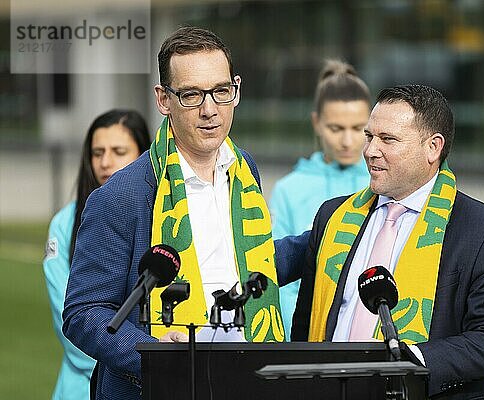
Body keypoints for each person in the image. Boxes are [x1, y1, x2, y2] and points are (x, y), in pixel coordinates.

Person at [62, 27, 307, 400]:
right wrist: (156, 353)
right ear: (163, 99)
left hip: (246, 379)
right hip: (157, 386)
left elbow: (252, 265)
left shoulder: (245, 171)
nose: (210, 110)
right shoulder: (118, 196)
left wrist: (323, 234)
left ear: (236, 90)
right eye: (191, 95)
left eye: (221, 92)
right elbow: (84, 312)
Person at [292, 84, 484, 399]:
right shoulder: (333, 216)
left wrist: (411, 361)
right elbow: (304, 325)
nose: (370, 150)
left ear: (433, 148)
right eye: (370, 136)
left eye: (387, 139)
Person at [43, 109, 150, 400]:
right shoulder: (64, 225)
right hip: (82, 386)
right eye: (97, 152)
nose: (105, 162)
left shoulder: (161, 216)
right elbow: (73, 320)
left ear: (143, 154)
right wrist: (147, 362)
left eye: (118, 151)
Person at [270, 59, 371, 339]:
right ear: (317, 122)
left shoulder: (384, 183)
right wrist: (301, 341)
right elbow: (280, 277)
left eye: (358, 128)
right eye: (336, 128)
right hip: (307, 335)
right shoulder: (289, 189)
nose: (348, 141)